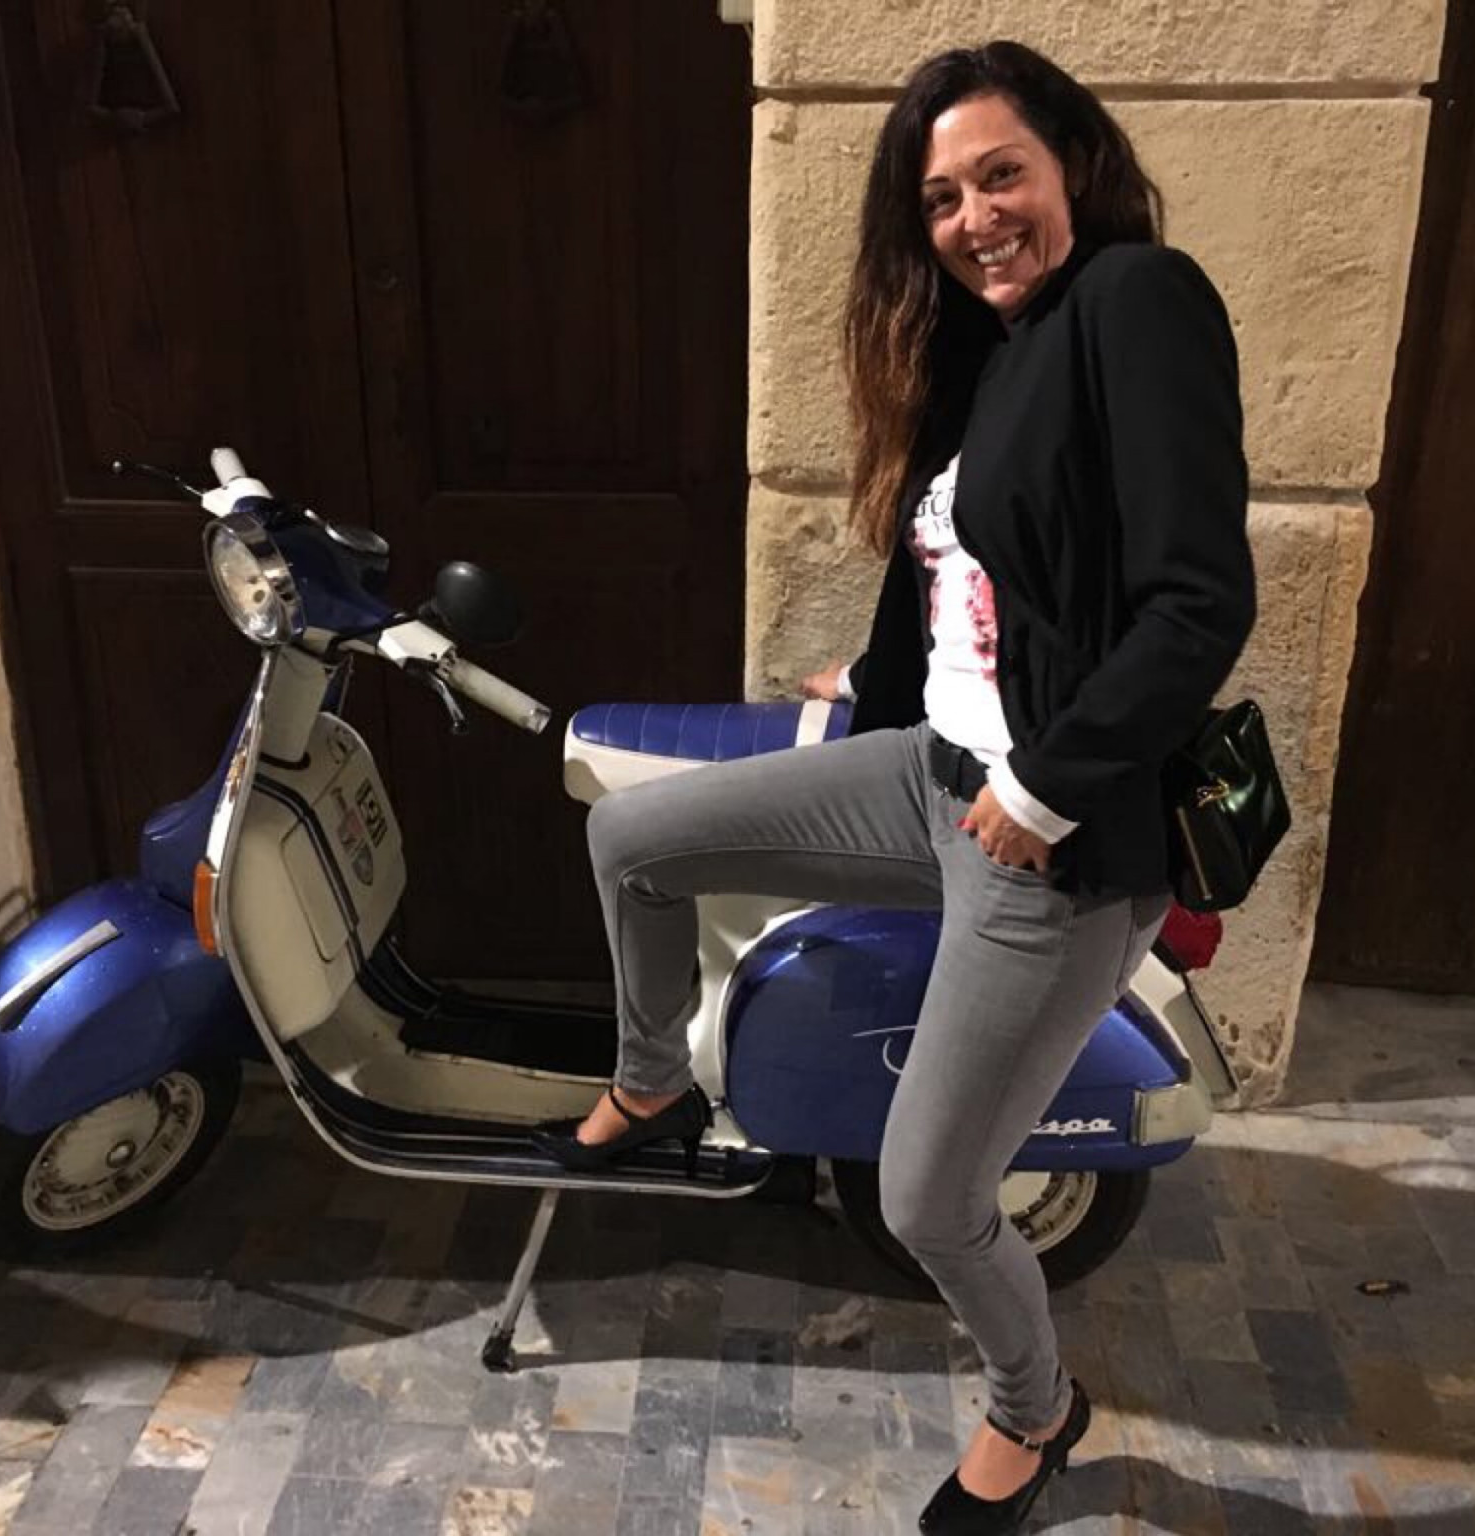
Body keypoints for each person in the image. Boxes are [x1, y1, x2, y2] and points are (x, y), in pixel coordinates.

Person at [535, 39, 1254, 1535]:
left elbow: (1197, 603)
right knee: (636, 840)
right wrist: (864, 690)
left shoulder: (1136, 301)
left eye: (1002, 175)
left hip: (1048, 842)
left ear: (1072, 166)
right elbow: (955, 574)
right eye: (941, 197)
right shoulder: (990, 345)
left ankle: (1034, 1412)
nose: (975, 217)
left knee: (928, 1198)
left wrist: (1043, 791)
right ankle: (655, 1082)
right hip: (929, 772)